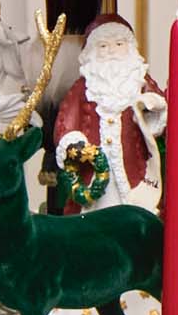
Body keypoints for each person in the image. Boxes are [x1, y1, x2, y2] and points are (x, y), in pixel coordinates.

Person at [48, 15, 166, 213]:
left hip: (135, 173)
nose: (111, 51)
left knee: (136, 210)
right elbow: (66, 122)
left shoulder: (139, 80)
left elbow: (160, 111)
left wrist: (152, 107)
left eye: (119, 44)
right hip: (93, 178)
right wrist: (76, 145)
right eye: (103, 46)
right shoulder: (83, 88)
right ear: (91, 52)